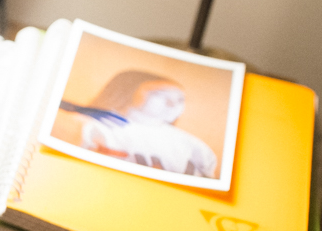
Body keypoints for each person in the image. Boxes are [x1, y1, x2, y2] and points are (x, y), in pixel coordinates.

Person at [66, 70, 218, 179]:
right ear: (127, 91)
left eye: (180, 99)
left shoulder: (195, 147)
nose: (172, 104)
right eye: (159, 95)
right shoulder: (90, 126)